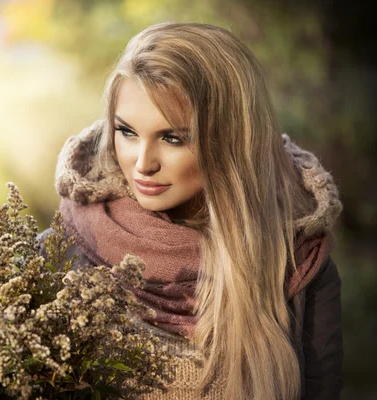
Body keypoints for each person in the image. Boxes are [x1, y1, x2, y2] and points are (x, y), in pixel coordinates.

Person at [37, 22, 343, 400]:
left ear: (231, 142)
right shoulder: (59, 254)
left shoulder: (298, 262)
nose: (142, 164)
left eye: (173, 138)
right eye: (127, 132)